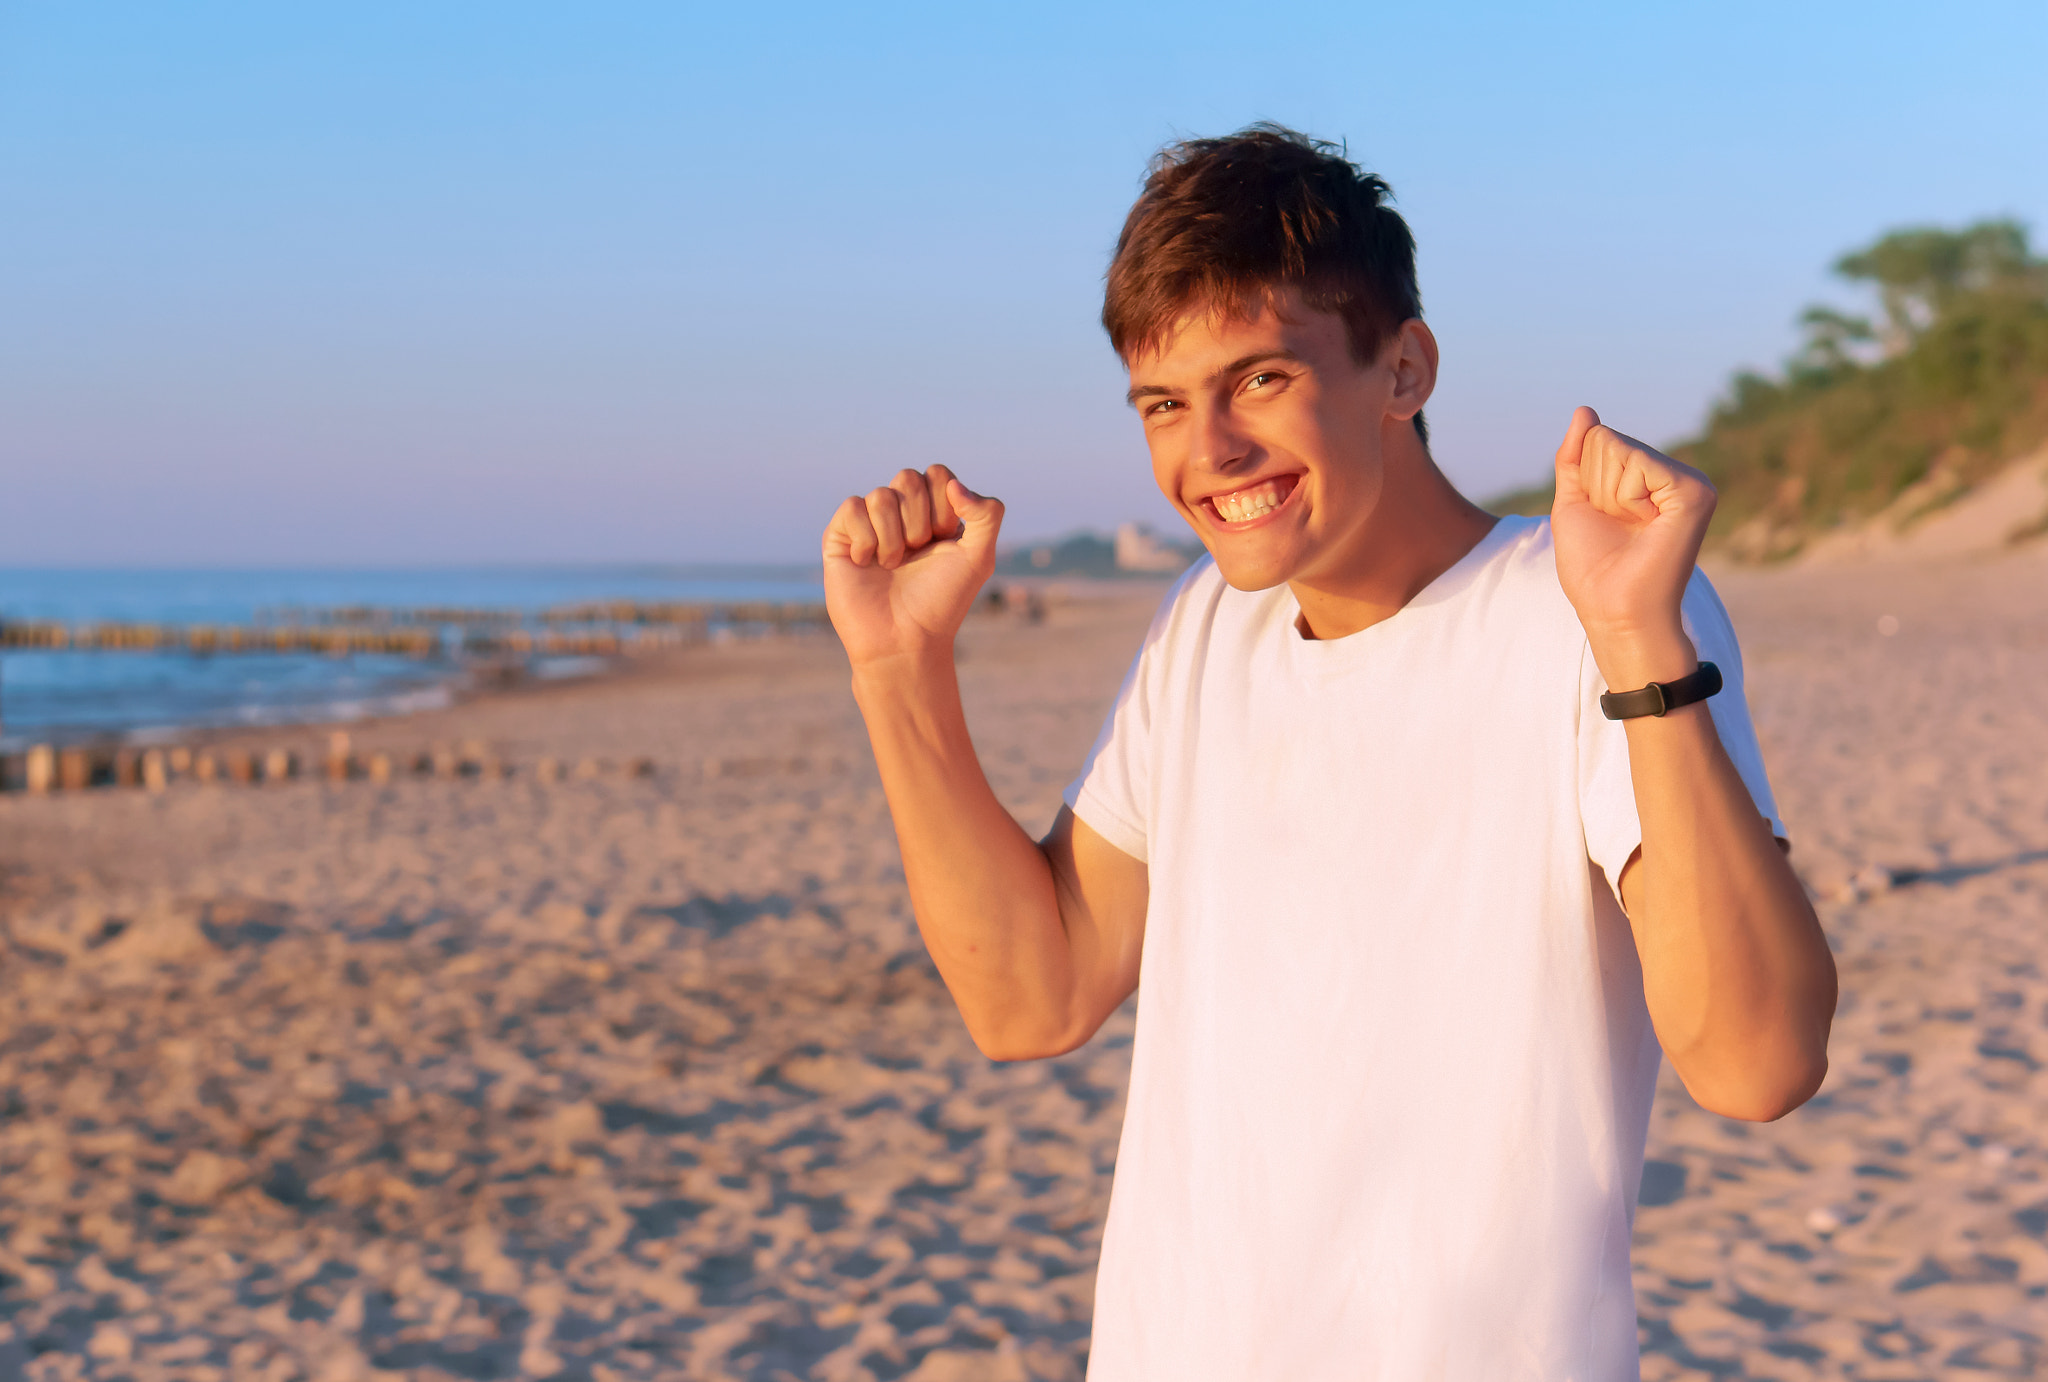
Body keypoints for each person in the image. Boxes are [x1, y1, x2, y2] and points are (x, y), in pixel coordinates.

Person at [819, 125, 1836, 1381]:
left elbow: (1757, 1059)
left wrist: (1637, 635)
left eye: (1258, 380)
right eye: (1163, 404)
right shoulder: (1205, 622)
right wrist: (896, 666)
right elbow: (1032, 994)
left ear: (1402, 366)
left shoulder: (1583, 609)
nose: (1209, 454)